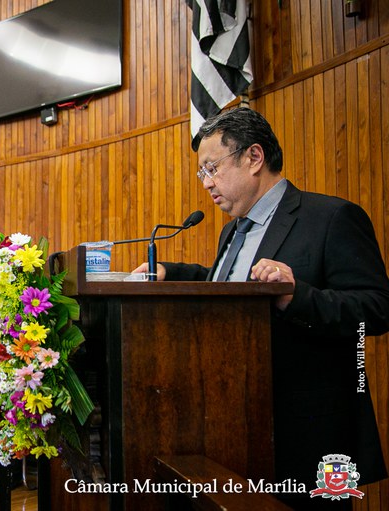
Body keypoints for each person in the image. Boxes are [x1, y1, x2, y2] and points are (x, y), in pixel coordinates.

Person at [136, 107, 389, 509]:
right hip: (233, 424)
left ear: (254, 157)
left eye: (212, 168)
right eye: (202, 173)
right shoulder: (231, 231)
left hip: (306, 435)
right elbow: (233, 291)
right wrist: (174, 272)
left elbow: (376, 309)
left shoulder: (331, 218)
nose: (207, 183)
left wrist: (296, 296)